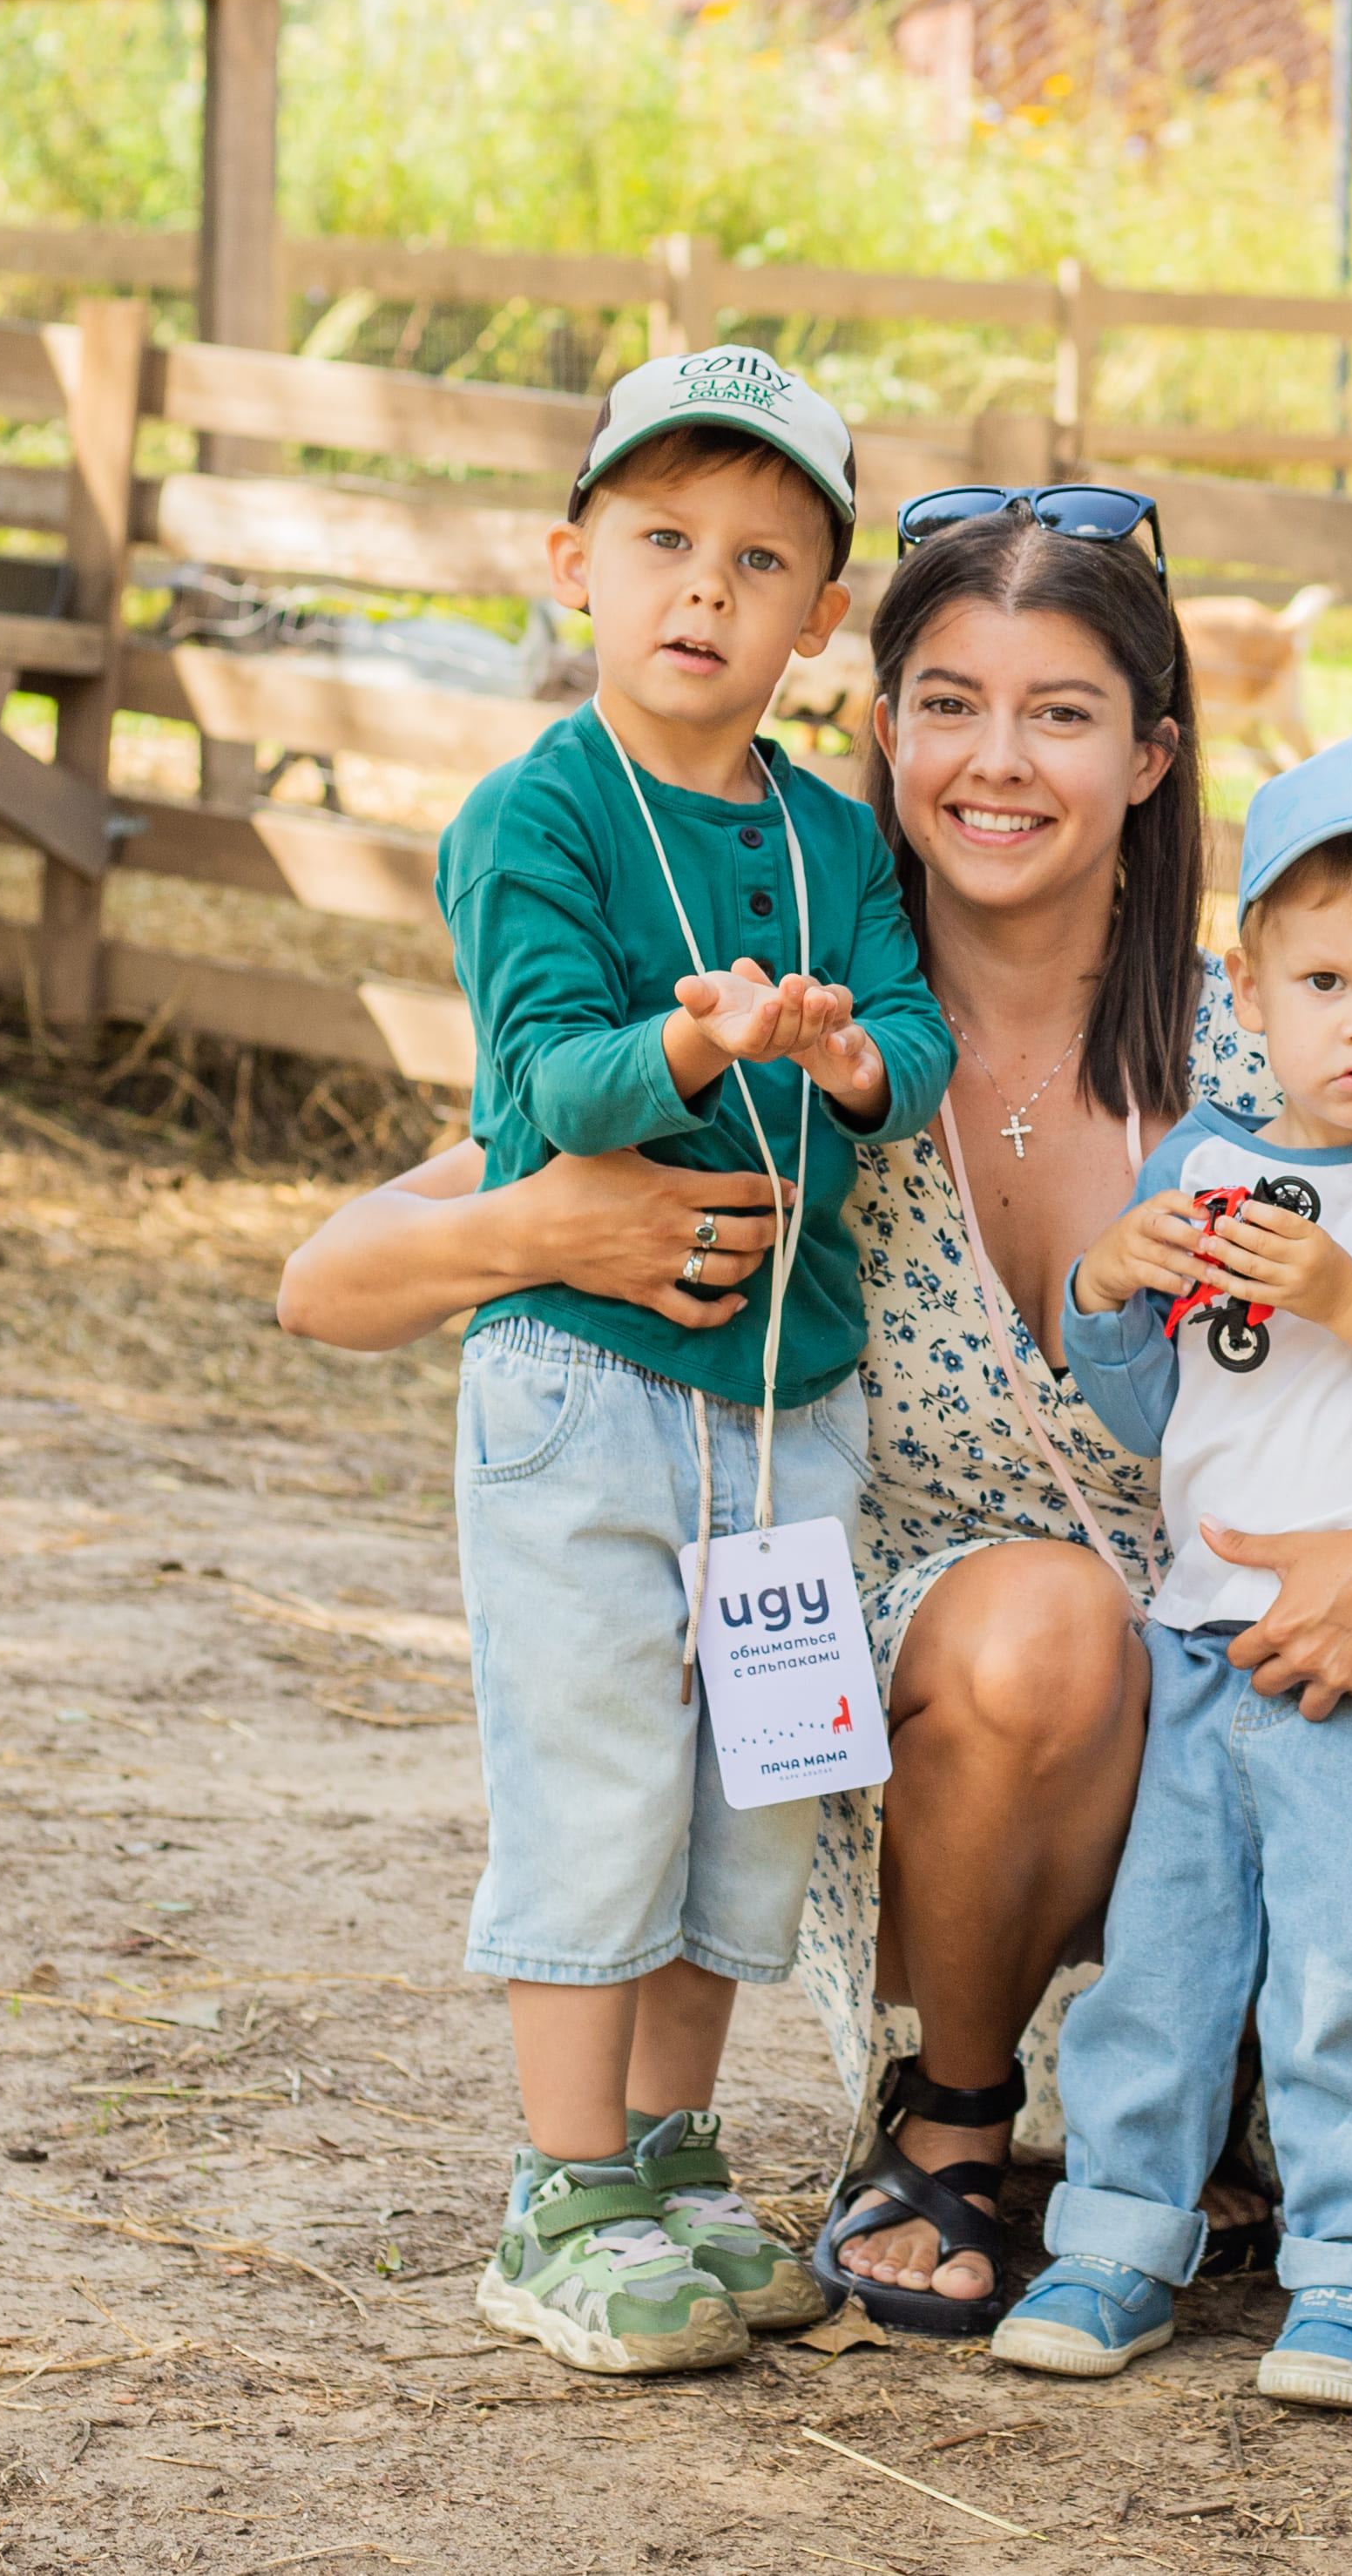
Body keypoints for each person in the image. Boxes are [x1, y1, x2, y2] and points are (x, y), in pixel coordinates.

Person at [278, 495, 1352, 2340]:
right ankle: (950, 2111)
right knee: (1041, 1617)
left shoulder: (1284, 1038)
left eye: (1062, 712)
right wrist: (542, 1225)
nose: (995, 762)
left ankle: (1234, 2098)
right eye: (947, 702)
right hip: (944, 1742)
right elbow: (333, 1275)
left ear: (1153, 751)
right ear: (881, 728)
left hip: (1277, 1692)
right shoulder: (809, 1049)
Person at [436, 348, 953, 2375]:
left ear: (818, 614)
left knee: (754, 1779)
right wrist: (692, 1046)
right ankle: (557, 2186)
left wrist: (845, 1054)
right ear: (576, 560)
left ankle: (672, 2151)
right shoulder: (531, 818)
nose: (703, 591)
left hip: (784, 1406)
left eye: (760, 558)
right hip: (584, 1387)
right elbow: (544, 1067)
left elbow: (905, 1039)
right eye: (660, 541)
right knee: (595, 1772)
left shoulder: (834, 841)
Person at [990, 740, 1352, 2403]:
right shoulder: (1201, 1163)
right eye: (1322, 980)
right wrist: (1105, 1282)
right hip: (1198, 1641)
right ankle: (1115, 2244)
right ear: (1249, 986)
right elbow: (1141, 1399)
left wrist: (1351, 1296)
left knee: (1339, 1967)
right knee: (1163, 1958)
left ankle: (1349, 2279)